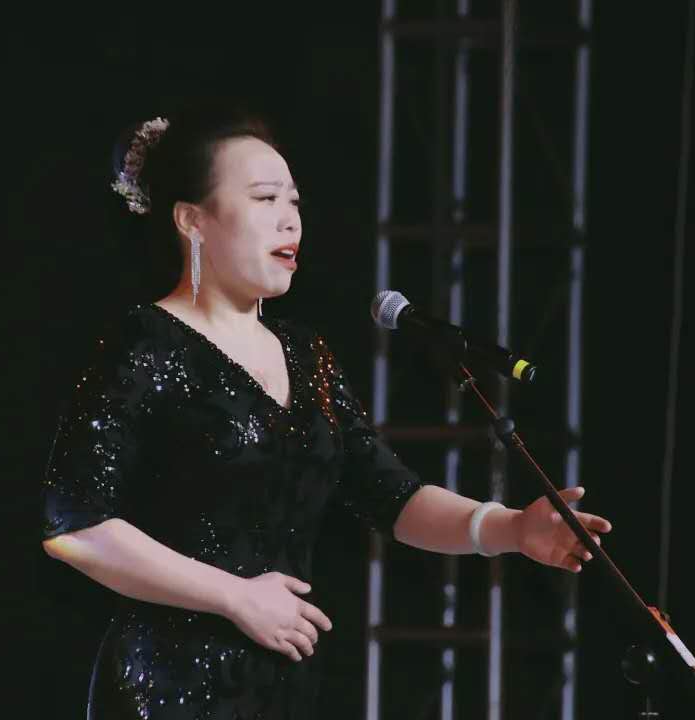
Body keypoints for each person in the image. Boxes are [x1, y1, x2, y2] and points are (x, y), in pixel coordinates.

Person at [40, 102, 613, 719]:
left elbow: (389, 495)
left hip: (283, 687)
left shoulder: (305, 353)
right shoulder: (147, 342)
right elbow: (75, 525)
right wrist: (235, 596)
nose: (290, 219)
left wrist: (511, 529)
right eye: (265, 199)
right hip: (165, 689)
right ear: (192, 220)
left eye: (294, 201)